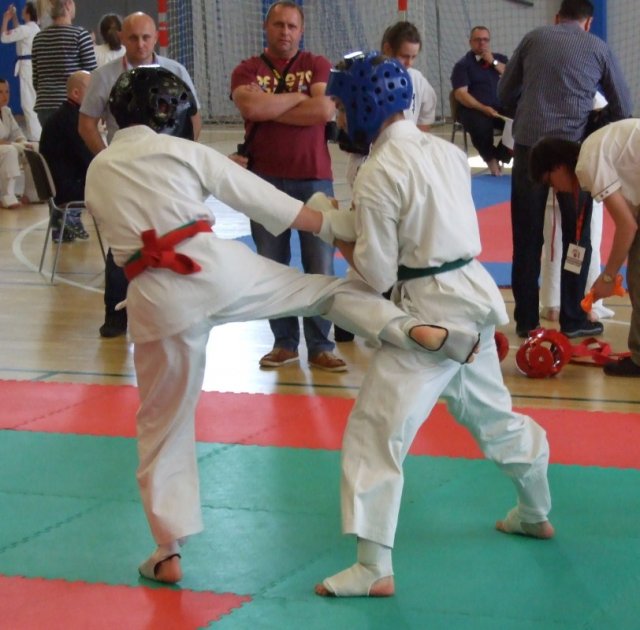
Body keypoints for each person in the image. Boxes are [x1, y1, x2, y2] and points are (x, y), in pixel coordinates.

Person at [84, 66, 480, 584]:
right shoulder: (183, 151)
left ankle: (167, 549)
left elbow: (116, 243)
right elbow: (254, 195)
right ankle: (410, 329)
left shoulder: (99, 168)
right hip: (216, 268)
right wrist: (327, 220)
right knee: (321, 292)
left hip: (156, 297)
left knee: (161, 424)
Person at [313, 52, 553, 599]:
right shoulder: (445, 152)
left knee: (375, 429)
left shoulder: (377, 171)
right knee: (493, 417)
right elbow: (422, 222)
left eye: (342, 107)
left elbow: (376, 274)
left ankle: (373, 567)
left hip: (430, 314)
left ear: (363, 106)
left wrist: (332, 228)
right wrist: (346, 217)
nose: (340, 117)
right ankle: (535, 510)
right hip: (473, 296)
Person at [498, 0, 632, 339]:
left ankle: (526, 320)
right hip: (573, 154)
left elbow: (504, 92)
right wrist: (592, 125)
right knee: (577, 239)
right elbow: (623, 107)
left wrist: (530, 109)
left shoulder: (533, 38)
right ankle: (574, 317)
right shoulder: (598, 47)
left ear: (558, 18)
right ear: (588, 22)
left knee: (526, 238)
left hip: (529, 148)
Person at [230, 1, 346, 373]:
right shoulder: (247, 69)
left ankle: (321, 346)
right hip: (263, 182)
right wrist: (300, 98)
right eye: (278, 24)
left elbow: (324, 111)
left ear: (301, 30)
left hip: (314, 178)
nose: (285, 32)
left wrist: (272, 106)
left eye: (292, 26)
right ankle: (284, 343)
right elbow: (252, 109)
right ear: (266, 28)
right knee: (272, 266)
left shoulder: (317, 63)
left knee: (320, 265)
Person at [79, 11, 201, 338]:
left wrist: (182, 156)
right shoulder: (104, 76)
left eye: (146, 37)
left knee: (175, 237)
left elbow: (194, 118)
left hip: (167, 172)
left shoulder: (175, 71)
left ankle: (175, 312)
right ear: (122, 38)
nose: (141, 44)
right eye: (133, 38)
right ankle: (115, 314)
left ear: (156, 37)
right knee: (122, 241)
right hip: (125, 174)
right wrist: (107, 159)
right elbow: (86, 124)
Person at [529, 121, 640, 377]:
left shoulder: (588, 163)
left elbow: (627, 226)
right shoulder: (594, 151)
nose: (555, 189)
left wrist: (608, 277)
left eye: (550, 182)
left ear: (557, 166)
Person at [38, 70, 92, 242]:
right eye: (91, 90)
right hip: (66, 188)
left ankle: (65, 222)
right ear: (76, 93)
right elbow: (86, 158)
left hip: (56, 186)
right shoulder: (73, 120)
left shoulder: (62, 115)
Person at [450, 26, 511, 176]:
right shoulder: (462, 65)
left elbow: (512, 76)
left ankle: (499, 156)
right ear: (470, 42)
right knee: (480, 125)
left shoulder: (500, 59)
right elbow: (461, 94)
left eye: (485, 40)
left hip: (499, 108)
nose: (482, 43)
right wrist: (483, 108)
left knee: (521, 121)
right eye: (478, 40)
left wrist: (493, 62)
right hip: (474, 108)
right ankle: (490, 160)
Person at [31, 0, 96, 127]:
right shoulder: (80, 35)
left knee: (51, 139)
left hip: (44, 105)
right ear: (68, 4)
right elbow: (92, 76)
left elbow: (36, 79)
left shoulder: (38, 38)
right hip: (72, 105)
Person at [1, 2, 41, 141]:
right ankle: (37, 133)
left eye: (24, 9)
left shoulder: (26, 29)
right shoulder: (35, 28)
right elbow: (19, 31)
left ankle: (35, 136)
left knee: (28, 103)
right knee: (33, 99)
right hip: (33, 65)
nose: (22, 11)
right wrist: (14, 18)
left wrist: (6, 19)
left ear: (28, 13)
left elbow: (4, 37)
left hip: (27, 67)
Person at [0, 78, 29, 208]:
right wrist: (15, 145)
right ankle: (7, 197)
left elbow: (17, 133)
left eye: (7, 92)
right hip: (5, 150)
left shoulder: (6, 111)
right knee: (10, 151)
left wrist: (23, 143)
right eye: (0, 92)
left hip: (5, 149)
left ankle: (31, 193)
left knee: (33, 148)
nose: (5, 96)